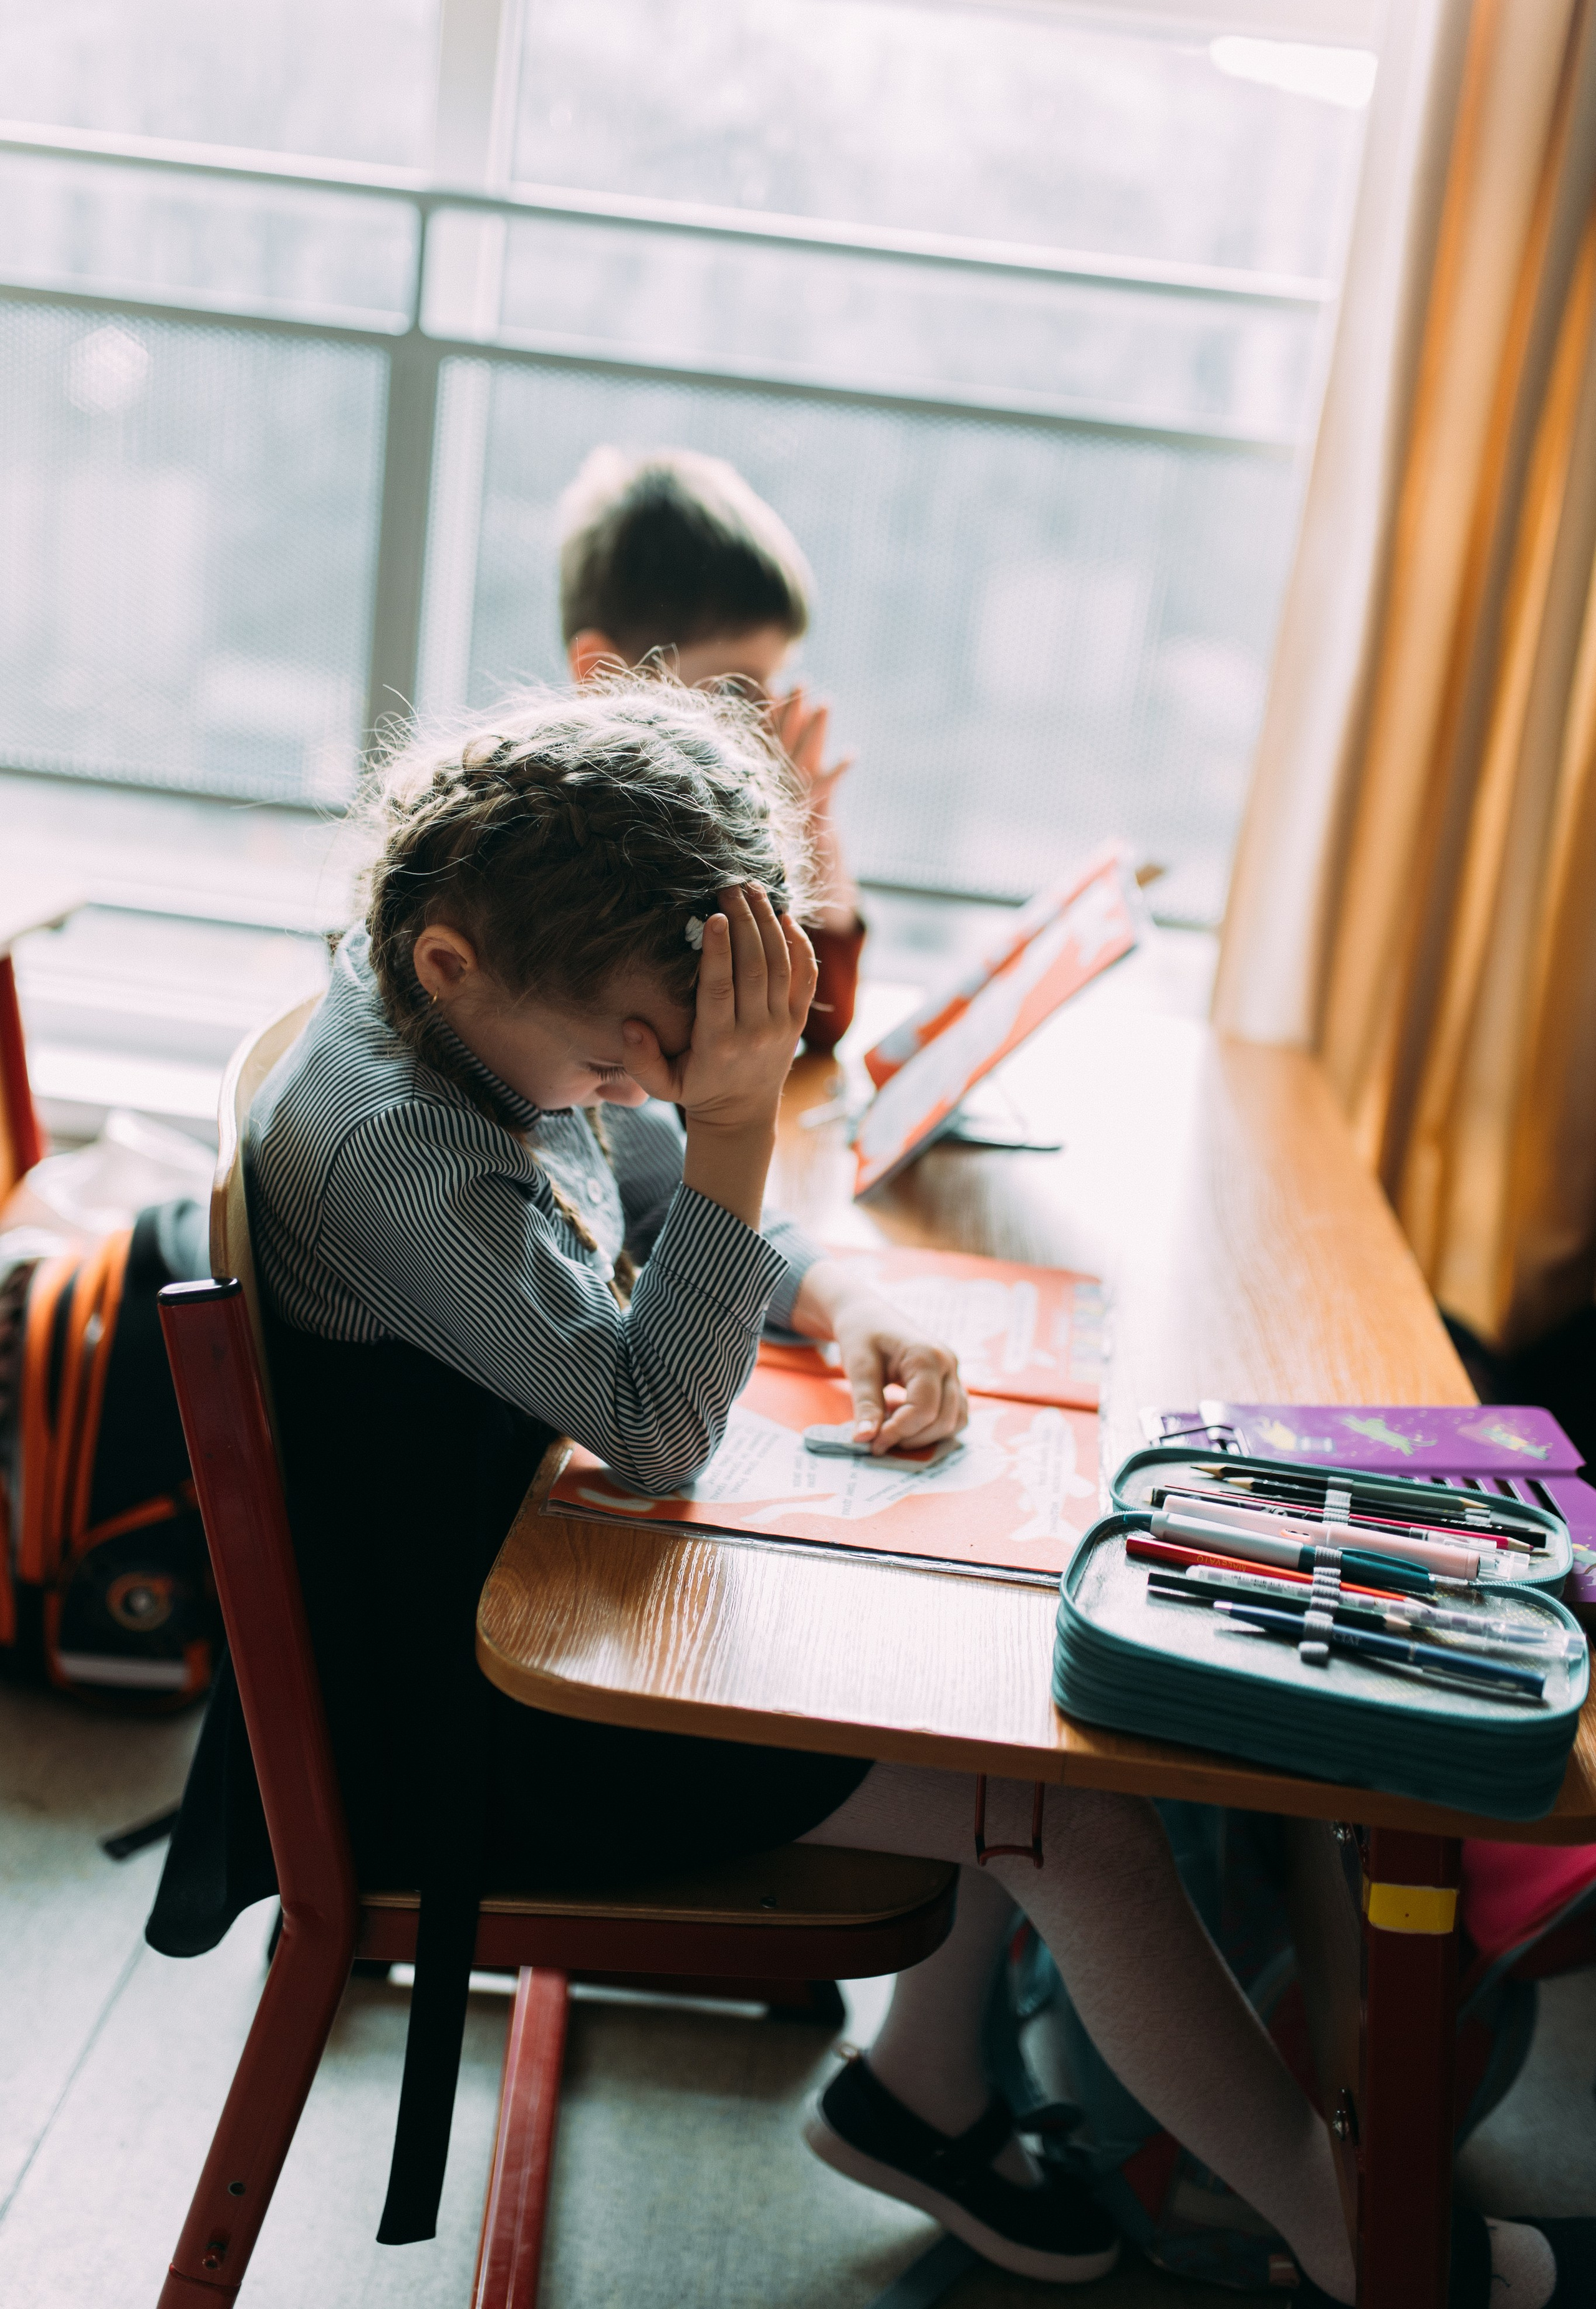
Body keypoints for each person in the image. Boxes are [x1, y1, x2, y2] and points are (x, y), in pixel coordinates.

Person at [158, 681, 1586, 2305]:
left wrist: (843, 1301)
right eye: (617, 1060)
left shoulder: (450, 987)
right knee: (1075, 1810)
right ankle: (1364, 2248)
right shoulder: (392, 1155)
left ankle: (923, 2093)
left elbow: (634, 1183)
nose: (634, 1093)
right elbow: (653, 1426)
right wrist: (740, 1122)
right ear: (454, 969)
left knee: (986, 1669)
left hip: (516, 1606)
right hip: (469, 1732)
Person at [556, 444, 865, 1053]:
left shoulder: (708, 821)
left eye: (772, 687)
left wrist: (812, 831)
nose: (764, 722)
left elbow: (822, 1019)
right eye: (732, 688)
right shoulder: (586, 850)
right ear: (604, 674)